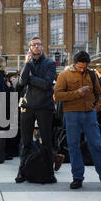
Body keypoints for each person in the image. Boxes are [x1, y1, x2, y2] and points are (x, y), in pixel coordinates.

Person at [54, 51, 101, 191]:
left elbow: (99, 94)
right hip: (71, 114)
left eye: (84, 67)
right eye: (79, 67)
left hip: (89, 114)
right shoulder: (64, 75)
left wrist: (97, 107)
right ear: (74, 63)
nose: (82, 70)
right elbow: (57, 95)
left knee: (97, 145)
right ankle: (77, 178)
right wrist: (77, 93)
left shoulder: (92, 74)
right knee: (73, 146)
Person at [16, 37, 64, 184]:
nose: (36, 47)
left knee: (47, 142)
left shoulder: (49, 63)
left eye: (39, 44)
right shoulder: (28, 64)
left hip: (44, 106)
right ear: (30, 48)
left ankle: (49, 172)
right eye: (33, 45)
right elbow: (21, 83)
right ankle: (22, 171)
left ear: (42, 47)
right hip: (28, 106)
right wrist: (26, 64)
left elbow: (47, 84)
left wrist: (32, 78)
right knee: (26, 141)